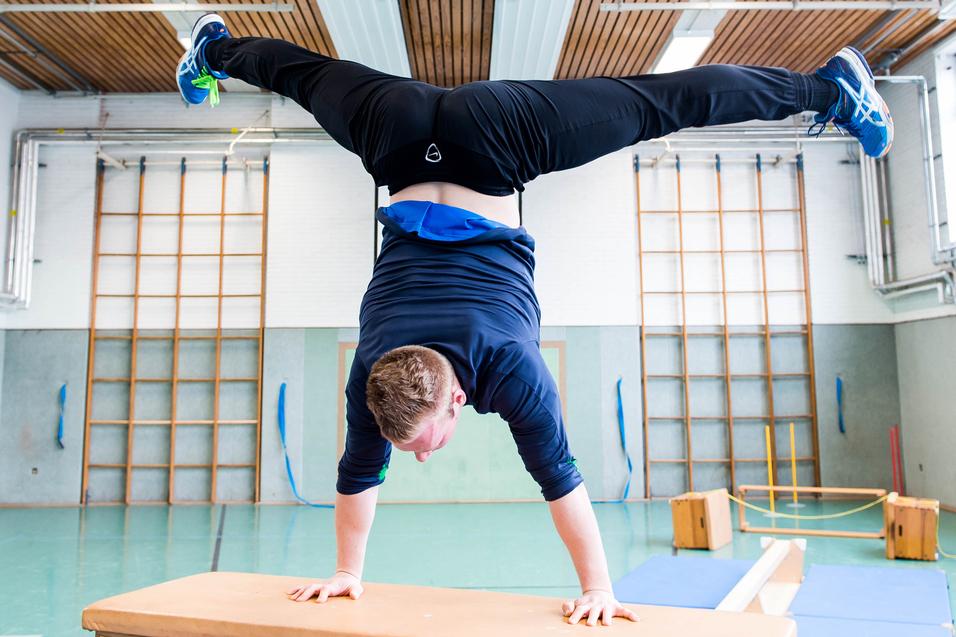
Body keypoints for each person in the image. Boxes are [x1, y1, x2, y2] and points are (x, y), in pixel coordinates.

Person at [177, 13, 891, 628]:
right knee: (302, 76)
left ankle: (833, 89)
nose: (421, 457)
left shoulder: (511, 371)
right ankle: (214, 47)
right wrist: (346, 571)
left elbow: (560, 480)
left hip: (497, 144)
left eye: (423, 444)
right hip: (396, 130)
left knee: (657, 105)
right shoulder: (375, 376)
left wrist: (599, 588)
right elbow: (361, 472)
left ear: (458, 397)